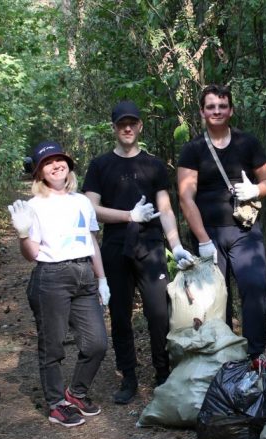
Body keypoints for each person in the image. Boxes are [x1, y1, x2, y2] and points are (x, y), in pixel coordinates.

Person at [82, 101, 194, 404]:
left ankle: (162, 374)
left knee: (158, 314)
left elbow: (165, 208)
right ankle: (128, 377)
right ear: (114, 128)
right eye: (121, 124)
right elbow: (90, 209)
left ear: (140, 126)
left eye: (132, 122)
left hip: (151, 246)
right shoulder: (100, 165)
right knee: (119, 316)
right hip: (116, 247)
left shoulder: (154, 165)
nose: (127, 128)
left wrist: (177, 245)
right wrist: (128, 216)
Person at [8, 141, 111, 427]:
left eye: (60, 160)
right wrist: (22, 232)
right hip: (51, 276)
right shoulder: (34, 206)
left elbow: (91, 241)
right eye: (48, 162)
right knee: (52, 346)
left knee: (97, 344)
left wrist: (101, 278)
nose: (56, 165)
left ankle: (76, 392)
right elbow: (31, 254)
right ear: (40, 172)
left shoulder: (81, 202)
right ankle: (56, 403)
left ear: (69, 166)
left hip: (84, 275)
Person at [176, 84, 266, 360]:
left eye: (222, 106)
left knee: (254, 289)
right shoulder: (192, 149)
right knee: (218, 300)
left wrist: (256, 190)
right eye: (211, 107)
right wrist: (204, 241)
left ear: (230, 110)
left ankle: (255, 356)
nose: (216, 111)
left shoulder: (248, 143)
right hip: (208, 235)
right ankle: (222, 355)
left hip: (245, 232)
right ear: (202, 111)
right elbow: (186, 198)